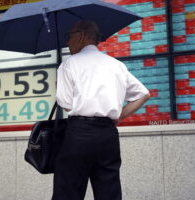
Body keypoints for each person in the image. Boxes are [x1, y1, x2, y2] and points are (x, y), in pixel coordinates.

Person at [53, 20, 150, 200]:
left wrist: (59, 86)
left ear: (81, 36)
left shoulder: (69, 64)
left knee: (68, 191)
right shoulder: (116, 65)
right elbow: (143, 94)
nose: (67, 42)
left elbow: (66, 104)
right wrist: (118, 116)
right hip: (108, 135)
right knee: (109, 192)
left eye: (69, 37)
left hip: (79, 134)